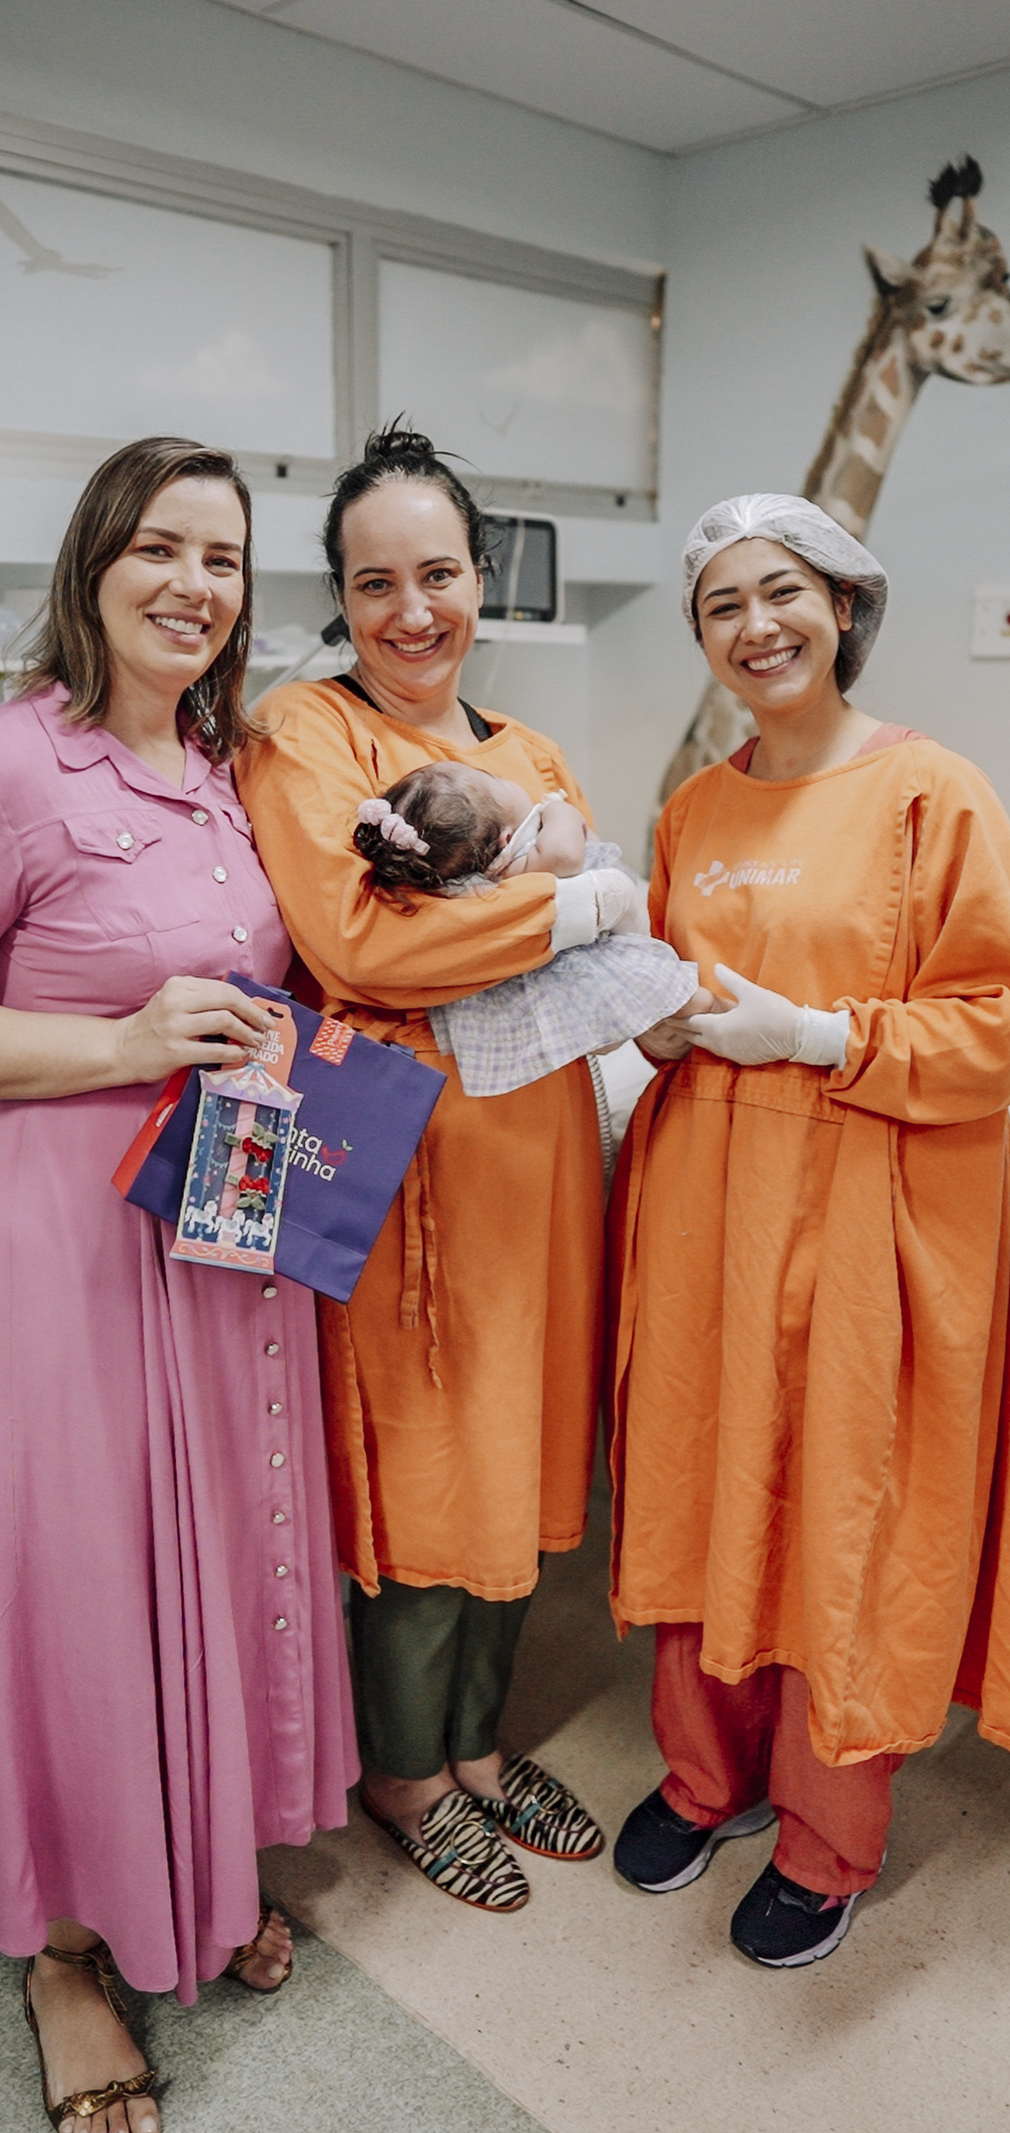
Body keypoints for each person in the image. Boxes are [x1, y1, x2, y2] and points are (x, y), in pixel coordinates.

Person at [0, 437, 358, 2131]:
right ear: (94, 562)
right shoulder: (1, 768)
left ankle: (190, 1869)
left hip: (218, 1214)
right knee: (82, 1578)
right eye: (159, 546)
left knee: (204, 1547)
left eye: (224, 556)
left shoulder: (224, 770)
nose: (193, 583)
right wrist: (121, 1042)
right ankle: (66, 1948)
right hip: (62, 1238)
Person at [607, 493, 1010, 1968]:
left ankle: (827, 1839)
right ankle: (706, 1779)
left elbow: (995, 1023)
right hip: (707, 1206)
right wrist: (649, 1024)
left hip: (863, 1204)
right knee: (705, 1479)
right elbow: (669, 994)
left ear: (844, 606)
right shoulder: (692, 813)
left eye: (783, 592)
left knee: (842, 1510)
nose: (755, 626)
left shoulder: (934, 793)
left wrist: (823, 1034)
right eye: (721, 604)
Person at [235, 424, 616, 1910]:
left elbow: (582, 937)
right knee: (426, 1466)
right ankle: (403, 1771)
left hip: (541, 1163)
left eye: (439, 573)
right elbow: (358, 943)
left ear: (480, 577)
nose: (412, 610)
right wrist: (565, 906)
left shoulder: (530, 753)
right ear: (340, 594)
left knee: (524, 1448)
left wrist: (560, 916)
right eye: (375, 581)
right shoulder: (307, 732)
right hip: (400, 1170)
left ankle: (475, 1748)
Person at [353, 761, 713, 1097]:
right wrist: (559, 809)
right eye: (496, 780)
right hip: (587, 957)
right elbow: (565, 857)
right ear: (506, 839)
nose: (507, 778)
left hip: (563, 974)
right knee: (678, 991)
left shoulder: (457, 880)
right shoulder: (523, 858)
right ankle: (711, 1016)